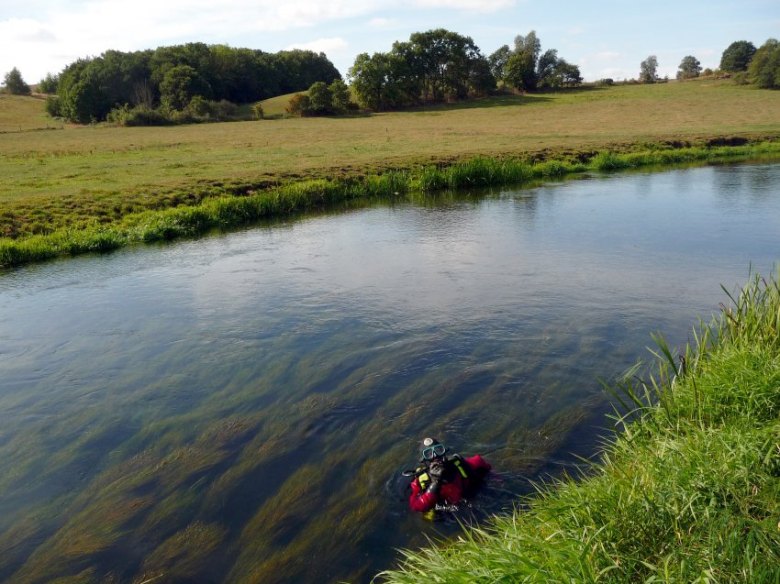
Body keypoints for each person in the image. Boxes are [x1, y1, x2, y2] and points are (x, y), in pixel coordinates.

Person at [408, 437, 491, 514]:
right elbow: (416, 507)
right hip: (448, 514)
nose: (435, 456)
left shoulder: (458, 465)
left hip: (472, 500)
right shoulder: (420, 481)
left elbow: (479, 461)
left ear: (444, 452)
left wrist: (497, 479)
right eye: (428, 454)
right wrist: (435, 482)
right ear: (424, 461)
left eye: (438, 450)